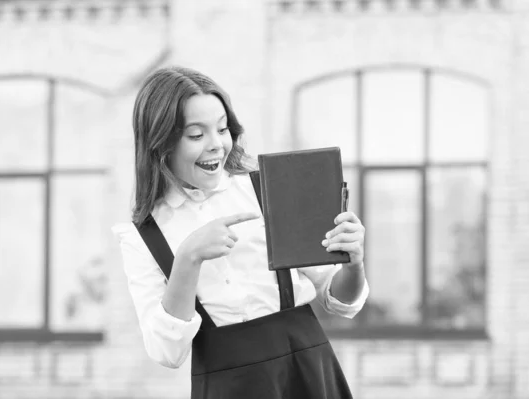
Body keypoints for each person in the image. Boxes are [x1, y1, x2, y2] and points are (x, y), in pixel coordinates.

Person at [112, 66, 369, 399]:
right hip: (227, 387)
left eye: (222, 129)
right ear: (161, 141)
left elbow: (341, 301)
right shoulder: (142, 236)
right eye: (196, 134)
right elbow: (166, 352)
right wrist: (189, 257)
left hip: (306, 371)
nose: (217, 144)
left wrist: (354, 263)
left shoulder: (269, 190)